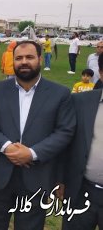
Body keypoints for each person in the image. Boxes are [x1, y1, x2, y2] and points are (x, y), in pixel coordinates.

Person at [0, 41, 76, 230]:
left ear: (40, 59)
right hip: (1, 174)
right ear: (12, 61)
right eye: (19, 58)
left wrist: (32, 153)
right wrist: (7, 146)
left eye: (29, 57)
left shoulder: (60, 93)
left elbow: (65, 131)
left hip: (37, 175)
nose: (24, 62)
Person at [62, 55, 103, 229]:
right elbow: (65, 141)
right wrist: (60, 180)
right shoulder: (81, 102)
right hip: (82, 192)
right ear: (101, 73)